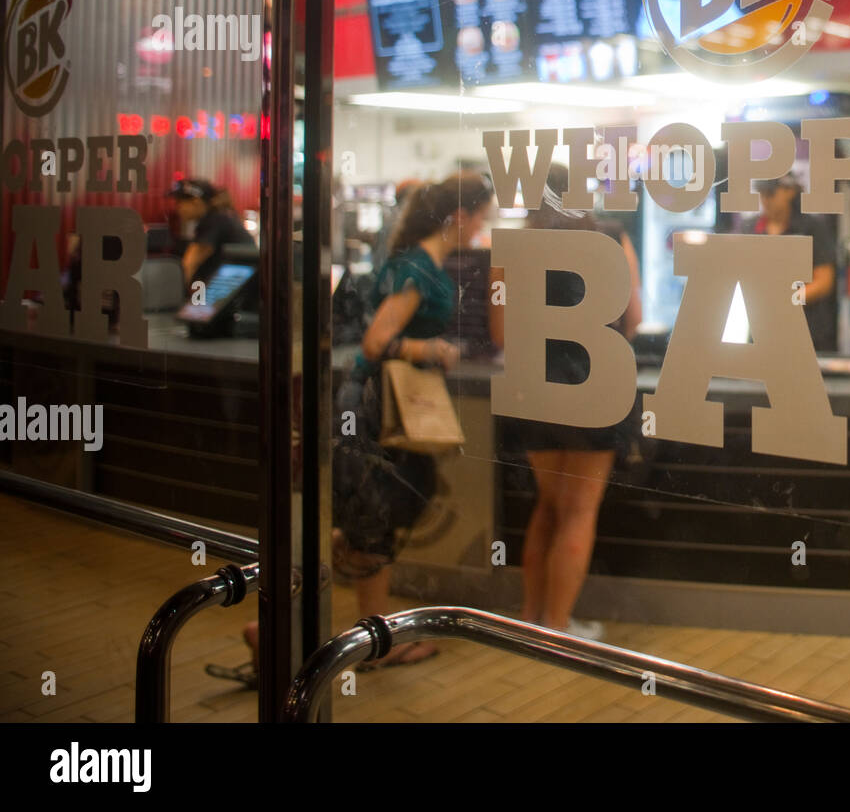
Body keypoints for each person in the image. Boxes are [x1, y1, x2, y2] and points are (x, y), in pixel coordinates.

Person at [208, 172, 494, 688]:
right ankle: (367, 642)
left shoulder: (411, 261)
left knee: (368, 522)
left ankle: (300, 628)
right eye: (481, 215)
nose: (483, 226)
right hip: (376, 412)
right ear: (459, 216)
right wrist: (433, 350)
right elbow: (376, 341)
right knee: (374, 523)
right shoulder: (419, 270)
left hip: (370, 408)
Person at [490, 164, 642, 640]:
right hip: (595, 384)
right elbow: (634, 317)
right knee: (579, 511)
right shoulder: (610, 238)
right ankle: (557, 629)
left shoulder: (512, 248)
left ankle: (531, 615)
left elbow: (501, 333)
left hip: (535, 387)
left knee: (549, 506)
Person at [752, 173, 839, 353]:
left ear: (789, 192)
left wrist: (788, 301)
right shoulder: (752, 228)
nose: (766, 200)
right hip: (764, 329)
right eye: (762, 194)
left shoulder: (812, 228)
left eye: (771, 194)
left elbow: (824, 281)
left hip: (808, 329)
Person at [166, 178, 255, 286]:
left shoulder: (214, 220)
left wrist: (173, 292)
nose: (177, 208)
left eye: (179, 203)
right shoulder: (220, 216)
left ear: (196, 202)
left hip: (238, 287)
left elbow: (190, 264)